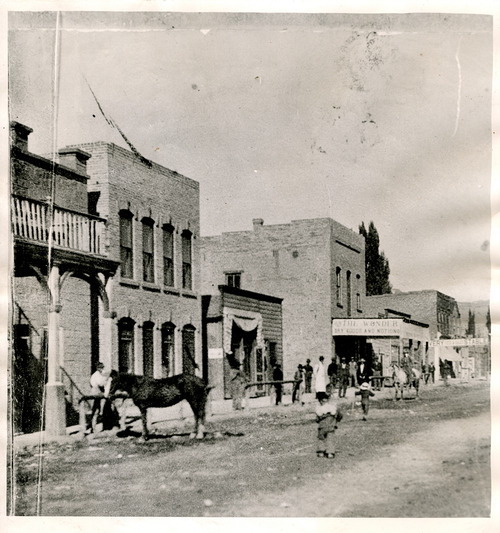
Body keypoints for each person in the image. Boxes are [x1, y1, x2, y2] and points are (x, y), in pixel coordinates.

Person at [315, 393, 343, 458]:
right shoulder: (333, 408)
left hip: (322, 427)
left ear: (320, 401)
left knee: (321, 438)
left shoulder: (319, 409)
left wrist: (319, 420)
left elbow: (317, 419)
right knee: (330, 439)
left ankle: (321, 452)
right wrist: (337, 420)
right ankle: (330, 453)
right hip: (331, 426)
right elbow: (340, 415)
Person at [88, 363, 109, 433]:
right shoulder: (95, 375)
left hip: (102, 391)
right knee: (95, 410)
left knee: (104, 408)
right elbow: (96, 384)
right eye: (100, 368)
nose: (101, 369)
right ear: (97, 368)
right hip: (96, 391)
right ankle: (93, 427)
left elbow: (105, 383)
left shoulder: (103, 374)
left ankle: (105, 426)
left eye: (102, 368)